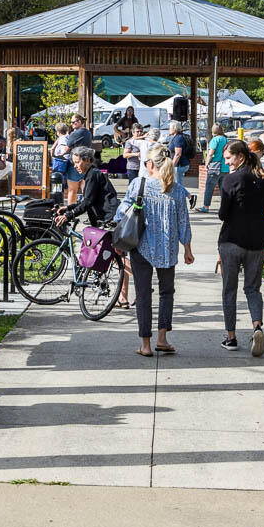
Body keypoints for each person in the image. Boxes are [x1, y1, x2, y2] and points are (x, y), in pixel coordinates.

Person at [114, 144, 194, 357]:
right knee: (167, 293)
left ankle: (146, 345)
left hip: (141, 247)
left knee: (143, 294)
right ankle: (162, 339)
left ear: (150, 165)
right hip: (168, 249)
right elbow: (183, 221)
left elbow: (121, 213)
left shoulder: (138, 185)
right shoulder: (177, 190)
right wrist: (187, 248)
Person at [217, 139, 264, 356]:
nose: (227, 163)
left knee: (229, 290)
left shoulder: (231, 179)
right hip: (259, 240)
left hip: (232, 239)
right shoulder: (263, 178)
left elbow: (223, 214)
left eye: (228, 158)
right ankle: (257, 327)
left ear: (240, 157)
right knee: (253, 288)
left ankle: (231, 337)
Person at [55, 146, 119, 228]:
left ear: (87, 160)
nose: (75, 166)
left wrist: (69, 215)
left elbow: (88, 202)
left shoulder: (93, 175)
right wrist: (68, 208)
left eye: (77, 162)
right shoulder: (91, 174)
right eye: (74, 163)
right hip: (103, 219)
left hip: (107, 219)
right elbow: (87, 200)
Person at [197, 123, 229, 212]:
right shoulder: (226, 139)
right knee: (224, 189)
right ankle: (225, 207)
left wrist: (206, 163)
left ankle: (206, 207)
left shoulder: (215, 140)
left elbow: (211, 153)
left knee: (209, 187)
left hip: (215, 167)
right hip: (225, 167)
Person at [64, 114, 93, 205]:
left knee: (72, 190)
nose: (71, 124)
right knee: (85, 189)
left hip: (76, 162)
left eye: (73, 122)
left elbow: (67, 148)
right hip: (86, 161)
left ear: (80, 122)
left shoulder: (75, 133)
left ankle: (70, 211)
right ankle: (88, 208)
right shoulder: (88, 132)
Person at [169, 120, 192, 189]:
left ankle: (186, 197)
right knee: (178, 184)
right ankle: (188, 196)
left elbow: (178, 154)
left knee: (177, 185)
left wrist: (172, 166)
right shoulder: (178, 137)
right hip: (181, 164)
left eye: (170, 128)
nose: (169, 129)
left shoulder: (178, 138)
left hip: (179, 165)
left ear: (174, 129)